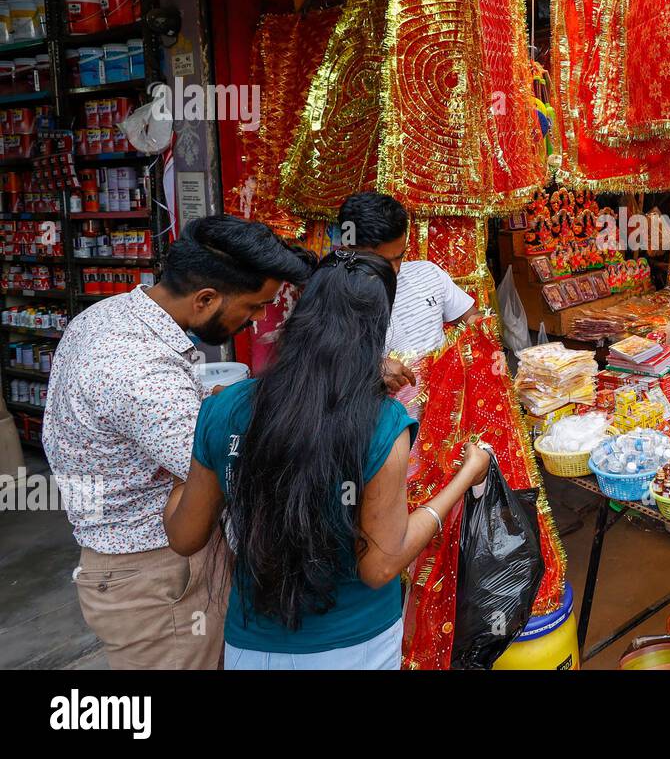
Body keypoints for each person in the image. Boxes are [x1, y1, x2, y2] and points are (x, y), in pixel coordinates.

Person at [163, 251, 491, 669]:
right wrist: (466, 476)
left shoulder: (224, 408)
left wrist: (184, 472)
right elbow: (380, 565)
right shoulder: (382, 423)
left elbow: (184, 535)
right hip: (358, 645)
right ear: (378, 327)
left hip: (252, 646)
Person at [43, 215, 315, 669]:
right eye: (251, 307)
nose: (253, 322)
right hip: (158, 579)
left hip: (150, 563)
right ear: (205, 299)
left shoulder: (114, 316)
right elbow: (233, 465)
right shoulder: (138, 371)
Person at [338, 191, 479, 414]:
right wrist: (372, 370)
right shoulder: (332, 298)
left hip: (444, 420)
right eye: (382, 262)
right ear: (349, 249)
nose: (394, 270)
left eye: (400, 257)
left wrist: (473, 352)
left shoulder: (428, 273)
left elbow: (473, 319)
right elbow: (321, 370)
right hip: (385, 433)